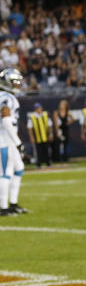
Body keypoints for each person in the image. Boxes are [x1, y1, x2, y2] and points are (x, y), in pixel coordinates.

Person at [0, 68, 26, 215]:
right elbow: (6, 121)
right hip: (4, 140)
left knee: (19, 168)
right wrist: (18, 142)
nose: (18, 84)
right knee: (5, 172)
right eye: (15, 81)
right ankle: (3, 208)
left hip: (8, 139)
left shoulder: (7, 96)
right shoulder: (5, 97)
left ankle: (13, 204)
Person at [26, 102, 52, 167]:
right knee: (38, 151)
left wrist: (51, 134)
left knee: (46, 150)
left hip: (45, 136)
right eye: (37, 108)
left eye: (39, 108)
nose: (38, 109)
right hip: (37, 137)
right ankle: (38, 164)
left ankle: (48, 163)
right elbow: (29, 128)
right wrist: (31, 137)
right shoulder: (32, 116)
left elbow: (50, 125)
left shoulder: (45, 115)